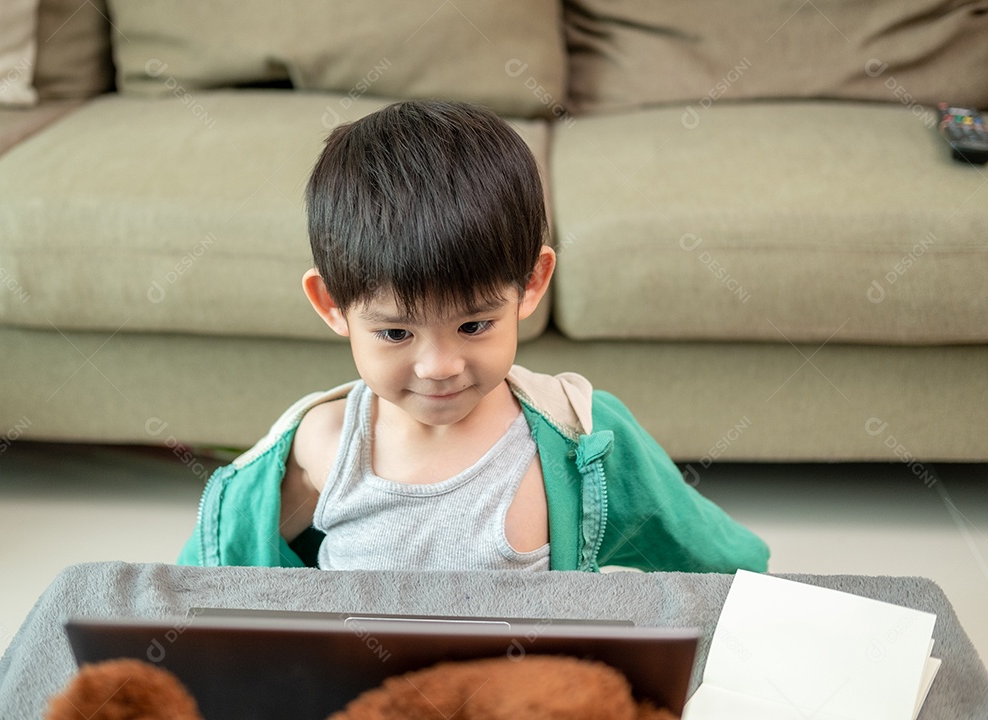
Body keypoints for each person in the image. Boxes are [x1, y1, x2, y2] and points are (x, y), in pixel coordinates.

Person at [177, 100, 769, 573]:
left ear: (530, 284)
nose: (438, 365)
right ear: (331, 304)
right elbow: (209, 568)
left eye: (474, 325)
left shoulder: (581, 436)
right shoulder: (321, 445)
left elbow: (716, 561)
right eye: (395, 332)